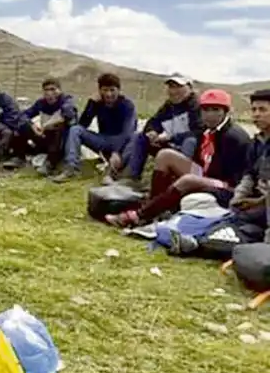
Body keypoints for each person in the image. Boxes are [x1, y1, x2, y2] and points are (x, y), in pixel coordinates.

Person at [105, 89, 251, 228]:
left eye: (216, 110)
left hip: (228, 185)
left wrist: (199, 179)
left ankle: (140, 215)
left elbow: (236, 178)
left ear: (226, 112)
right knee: (165, 155)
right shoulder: (206, 130)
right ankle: (154, 206)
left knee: (188, 180)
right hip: (207, 174)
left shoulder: (234, 137)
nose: (209, 115)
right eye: (206, 110)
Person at [167, 90, 270, 258]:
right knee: (227, 227)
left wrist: (256, 202)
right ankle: (196, 241)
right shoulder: (257, 143)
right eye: (254, 110)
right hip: (253, 206)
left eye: (263, 110)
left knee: (240, 231)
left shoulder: (235, 137)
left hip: (263, 206)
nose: (257, 115)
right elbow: (249, 175)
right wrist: (239, 197)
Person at [107, 74, 200, 188]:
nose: (174, 91)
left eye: (178, 87)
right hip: (171, 146)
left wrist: (171, 137)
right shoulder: (168, 106)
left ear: (190, 88)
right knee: (140, 137)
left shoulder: (197, 107)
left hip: (192, 153)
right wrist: (153, 132)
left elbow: (199, 132)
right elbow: (152, 123)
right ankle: (132, 178)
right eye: (171, 87)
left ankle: (179, 181)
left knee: (190, 141)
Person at [51, 73, 137, 183]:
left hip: (121, 143)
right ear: (100, 91)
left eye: (112, 90)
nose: (108, 94)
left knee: (135, 137)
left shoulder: (127, 105)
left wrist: (117, 151)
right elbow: (82, 125)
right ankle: (71, 169)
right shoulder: (98, 103)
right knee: (75, 130)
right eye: (105, 90)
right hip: (102, 140)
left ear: (118, 90)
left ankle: (112, 173)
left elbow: (127, 132)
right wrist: (91, 104)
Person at [11, 78, 79, 174]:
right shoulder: (41, 103)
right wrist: (33, 126)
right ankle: (19, 157)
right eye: (46, 90)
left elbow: (68, 115)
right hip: (44, 136)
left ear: (59, 90)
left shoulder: (66, 100)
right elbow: (24, 115)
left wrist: (48, 125)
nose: (50, 93)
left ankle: (50, 163)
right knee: (22, 125)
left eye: (53, 89)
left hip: (61, 142)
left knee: (59, 129)